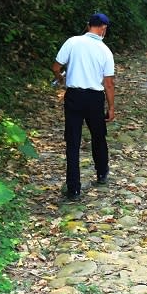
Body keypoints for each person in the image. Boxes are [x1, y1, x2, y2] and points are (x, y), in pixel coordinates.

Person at [52, 12, 115, 200]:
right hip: (95, 98)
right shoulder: (105, 51)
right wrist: (111, 107)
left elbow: (56, 67)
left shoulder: (72, 42)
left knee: (72, 142)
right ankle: (102, 172)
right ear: (103, 29)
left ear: (89, 25)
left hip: (73, 96)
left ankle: (74, 188)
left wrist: (61, 79)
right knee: (98, 136)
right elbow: (108, 84)